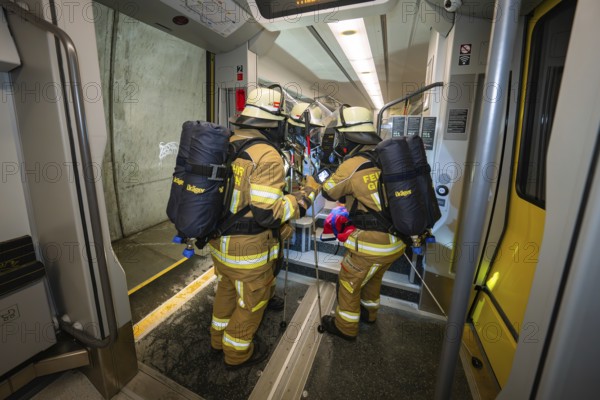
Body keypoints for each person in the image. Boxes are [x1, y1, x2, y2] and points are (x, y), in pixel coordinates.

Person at [209, 87, 320, 368]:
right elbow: (269, 215)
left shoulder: (229, 143)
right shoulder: (267, 155)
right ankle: (236, 353)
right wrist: (304, 197)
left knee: (227, 289)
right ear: (274, 122)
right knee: (252, 302)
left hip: (219, 242)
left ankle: (216, 337)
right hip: (247, 252)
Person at [320, 105, 406, 340]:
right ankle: (370, 314)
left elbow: (328, 192)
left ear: (347, 136)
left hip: (370, 243)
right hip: (397, 240)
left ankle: (345, 327)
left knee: (349, 282)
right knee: (373, 278)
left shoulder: (353, 163)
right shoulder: (387, 157)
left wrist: (331, 169)